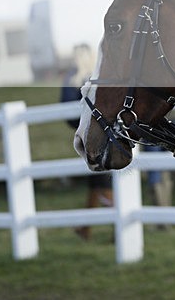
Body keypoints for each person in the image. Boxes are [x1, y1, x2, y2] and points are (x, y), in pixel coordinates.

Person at [61, 43, 113, 240]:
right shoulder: (100, 75)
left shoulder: (74, 79)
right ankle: (86, 227)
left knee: (102, 184)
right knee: (96, 183)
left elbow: (66, 108)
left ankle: (119, 226)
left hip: (89, 134)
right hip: (106, 132)